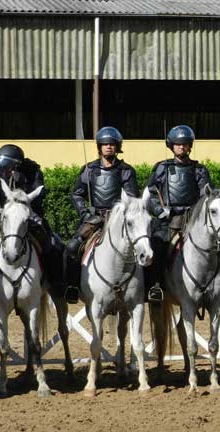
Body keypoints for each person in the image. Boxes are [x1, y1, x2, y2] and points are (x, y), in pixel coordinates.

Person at [0, 144, 64, 309]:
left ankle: (56, 284)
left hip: (27, 217)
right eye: (2, 167)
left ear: (17, 165)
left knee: (54, 246)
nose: (5, 172)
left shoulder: (32, 172)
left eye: (8, 168)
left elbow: (38, 197)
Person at [63, 126, 139, 304]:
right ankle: (73, 287)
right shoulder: (88, 170)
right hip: (94, 219)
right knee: (73, 247)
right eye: (105, 144)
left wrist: (119, 213)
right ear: (99, 146)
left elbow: (131, 197)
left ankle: (146, 288)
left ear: (117, 146)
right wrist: (84, 211)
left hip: (118, 220)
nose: (108, 147)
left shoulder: (126, 171)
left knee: (142, 245)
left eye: (112, 144)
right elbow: (76, 194)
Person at [145, 124, 211, 302]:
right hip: (169, 220)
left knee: (218, 245)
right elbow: (150, 193)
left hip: (193, 220)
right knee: (156, 247)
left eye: (185, 143)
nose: (182, 146)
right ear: (171, 145)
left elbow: (206, 195)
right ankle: (156, 286)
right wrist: (159, 211)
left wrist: (197, 212)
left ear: (190, 146)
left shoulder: (199, 170)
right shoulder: (161, 168)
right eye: (178, 143)